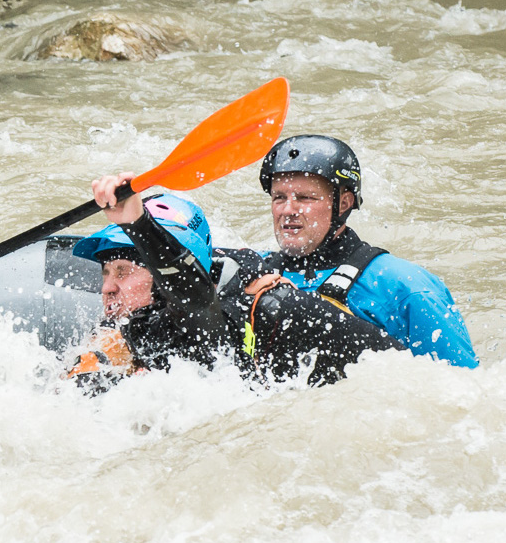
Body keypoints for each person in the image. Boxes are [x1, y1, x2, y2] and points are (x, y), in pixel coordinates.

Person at [68, 178, 404, 392]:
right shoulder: (135, 320)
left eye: (124, 271)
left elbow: (190, 294)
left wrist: (138, 223)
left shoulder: (216, 314)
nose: (108, 287)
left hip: (388, 389)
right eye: (106, 273)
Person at [231, 135, 478, 367]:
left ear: (344, 204)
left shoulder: (405, 287)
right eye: (279, 197)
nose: (288, 209)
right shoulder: (251, 269)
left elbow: (462, 388)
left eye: (305, 198)